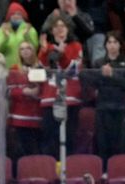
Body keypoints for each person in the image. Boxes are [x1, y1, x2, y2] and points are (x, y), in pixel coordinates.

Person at [37, 17, 83, 158]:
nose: (59, 29)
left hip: (69, 99)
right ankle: (51, 172)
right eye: (56, 26)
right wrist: (45, 52)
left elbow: (73, 71)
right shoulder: (46, 48)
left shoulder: (76, 46)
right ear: (51, 31)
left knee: (69, 137)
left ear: (68, 29)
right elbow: (42, 71)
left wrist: (62, 56)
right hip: (49, 98)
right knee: (49, 138)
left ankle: (68, 170)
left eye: (63, 26)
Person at [90, 32, 125, 160]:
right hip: (103, 106)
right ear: (105, 45)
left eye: (115, 42)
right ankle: (104, 171)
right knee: (103, 141)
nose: (112, 45)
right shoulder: (99, 63)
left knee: (121, 141)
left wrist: (112, 75)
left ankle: (119, 169)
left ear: (120, 45)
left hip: (121, 107)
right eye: (109, 42)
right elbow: (95, 82)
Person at [7, 41, 43, 158]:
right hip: (19, 116)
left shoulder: (40, 67)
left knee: (35, 148)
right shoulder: (14, 69)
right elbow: (9, 90)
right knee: (20, 149)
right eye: (22, 49)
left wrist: (36, 93)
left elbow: (43, 89)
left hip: (36, 115)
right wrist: (23, 91)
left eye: (28, 48)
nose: (25, 51)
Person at [0, 2, 40, 68]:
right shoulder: (2, 30)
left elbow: (35, 48)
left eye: (18, 14)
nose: (16, 16)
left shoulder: (29, 29)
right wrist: (5, 38)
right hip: (7, 69)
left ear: (23, 16)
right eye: (12, 14)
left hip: (26, 69)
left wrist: (26, 36)